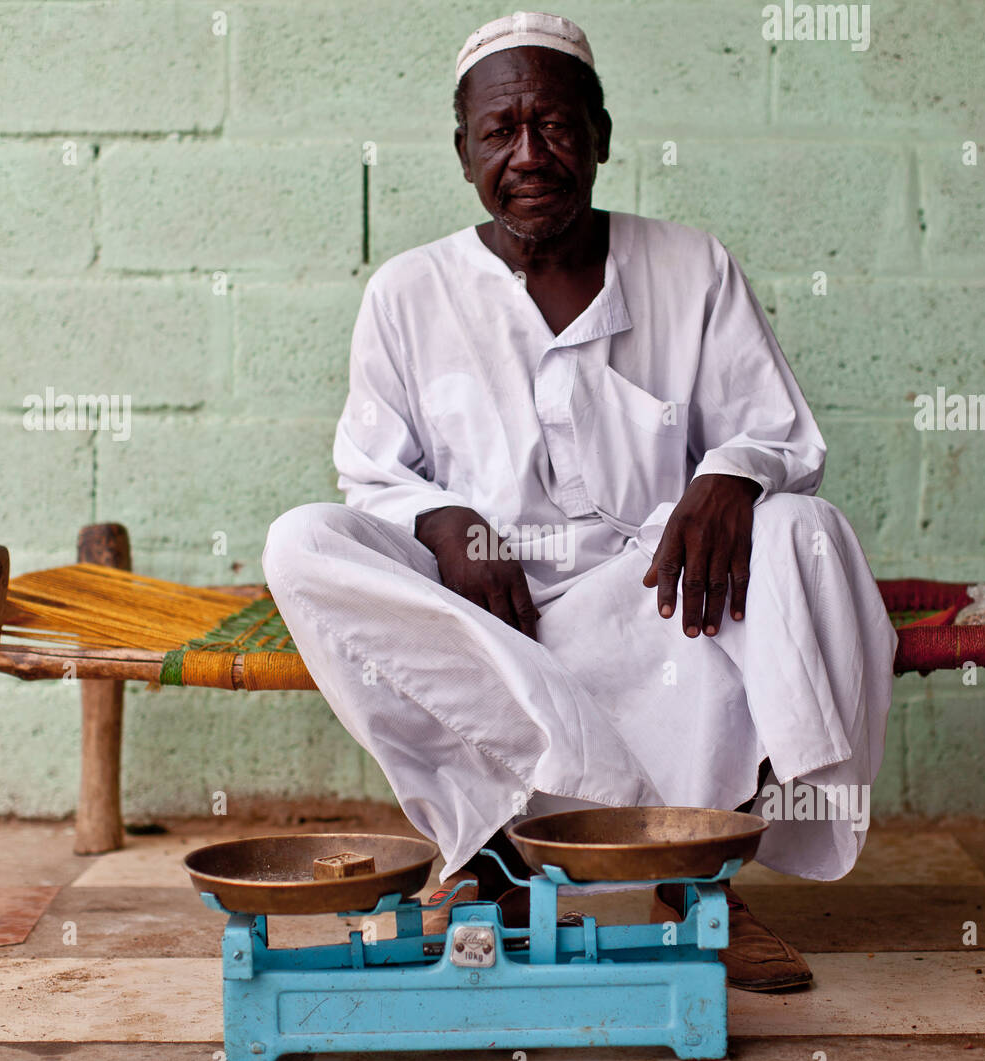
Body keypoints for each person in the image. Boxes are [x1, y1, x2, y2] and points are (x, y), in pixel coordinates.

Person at [262, 12, 898, 991]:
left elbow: (775, 434)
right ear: (463, 149)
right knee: (302, 542)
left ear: (600, 135)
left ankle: (701, 878)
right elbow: (369, 471)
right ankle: (494, 855)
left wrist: (729, 474)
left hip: (662, 609)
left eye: (555, 126)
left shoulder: (692, 266)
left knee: (805, 533)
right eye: (498, 131)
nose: (528, 155)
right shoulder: (408, 292)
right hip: (489, 622)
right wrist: (444, 522)